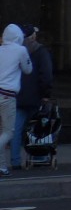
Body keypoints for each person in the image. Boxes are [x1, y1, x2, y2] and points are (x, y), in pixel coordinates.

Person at [12, 24, 52, 169]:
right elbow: (46, 74)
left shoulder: (14, 51)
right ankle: (38, 158)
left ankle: (15, 160)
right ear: (33, 36)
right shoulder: (40, 51)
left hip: (18, 95)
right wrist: (46, 94)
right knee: (36, 128)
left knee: (16, 130)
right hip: (36, 96)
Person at [0, 23, 32, 178]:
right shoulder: (21, 50)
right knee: (8, 132)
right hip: (8, 95)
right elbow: (28, 69)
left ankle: (2, 166)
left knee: (2, 131)